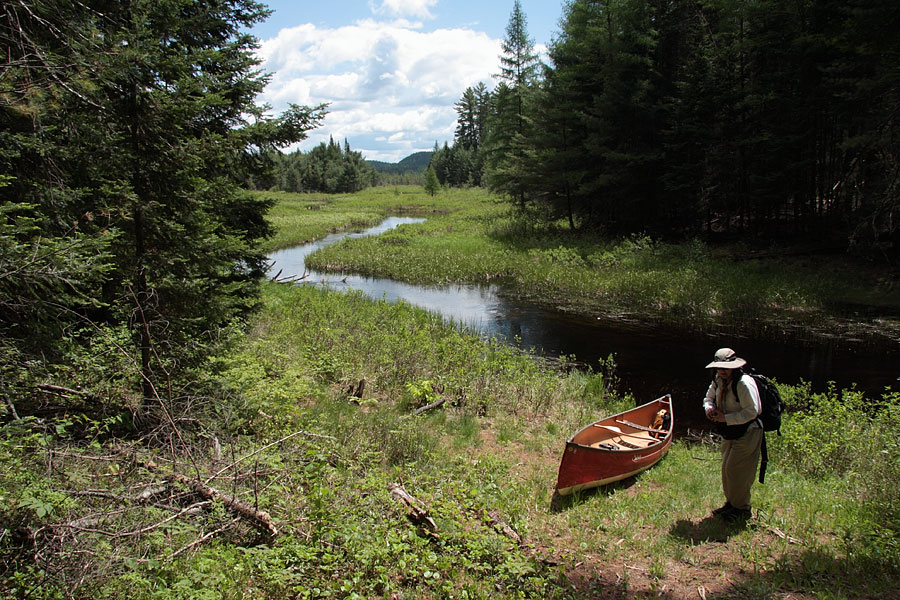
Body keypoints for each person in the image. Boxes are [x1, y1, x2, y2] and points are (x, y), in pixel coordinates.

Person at [702, 347, 762, 522]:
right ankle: (731, 504)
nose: (722, 371)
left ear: (734, 367)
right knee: (727, 469)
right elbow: (708, 398)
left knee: (737, 471)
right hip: (730, 431)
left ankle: (742, 509)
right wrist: (709, 408)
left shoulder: (743, 383)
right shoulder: (717, 380)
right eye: (719, 368)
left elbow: (753, 412)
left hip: (749, 432)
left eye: (725, 368)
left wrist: (725, 418)